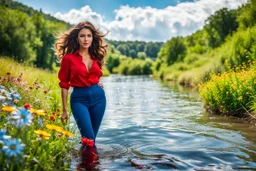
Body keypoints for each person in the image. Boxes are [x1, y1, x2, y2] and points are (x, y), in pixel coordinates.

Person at [54, 21, 108, 149]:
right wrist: (64, 110)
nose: (86, 39)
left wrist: (97, 83)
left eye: (89, 36)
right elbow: (64, 84)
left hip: (99, 99)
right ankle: (91, 165)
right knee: (89, 139)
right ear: (77, 38)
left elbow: (96, 75)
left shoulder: (96, 56)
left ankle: (85, 165)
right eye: (82, 36)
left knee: (90, 140)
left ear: (92, 38)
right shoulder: (68, 58)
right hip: (79, 100)